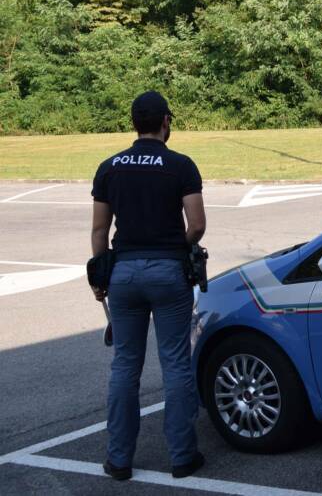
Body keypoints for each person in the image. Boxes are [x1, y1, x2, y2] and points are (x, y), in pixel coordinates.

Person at [89, 91, 206, 481]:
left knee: (124, 365)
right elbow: (198, 225)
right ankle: (182, 458)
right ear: (165, 122)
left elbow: (100, 230)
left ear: (135, 122)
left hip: (122, 273)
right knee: (174, 362)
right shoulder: (180, 165)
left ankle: (119, 460)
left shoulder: (109, 167)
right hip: (168, 270)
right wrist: (178, 246)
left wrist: (101, 274)